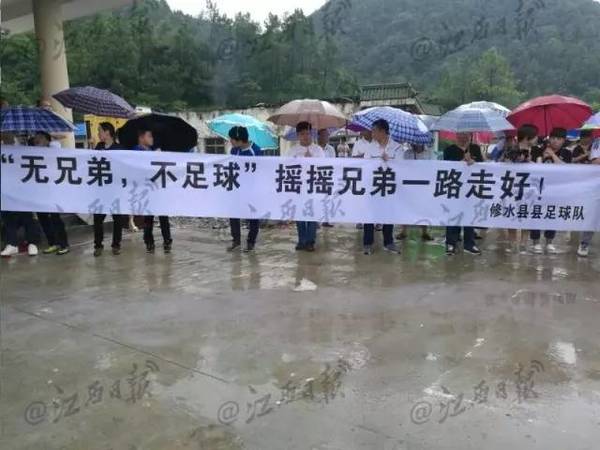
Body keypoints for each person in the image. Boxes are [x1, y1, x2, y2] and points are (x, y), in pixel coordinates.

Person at [362, 119, 402, 255]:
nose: (372, 134)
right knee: (369, 215)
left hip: (389, 187)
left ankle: (388, 242)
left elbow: (403, 167)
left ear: (383, 131)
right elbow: (365, 165)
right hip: (373, 187)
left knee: (388, 214)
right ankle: (367, 243)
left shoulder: (397, 147)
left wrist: (390, 161)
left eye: (374, 131)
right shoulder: (370, 147)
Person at [529, 127, 571, 254]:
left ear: (563, 140)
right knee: (536, 213)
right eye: (553, 138)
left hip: (556, 189)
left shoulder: (567, 153)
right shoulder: (538, 150)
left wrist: (552, 155)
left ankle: (549, 242)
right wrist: (542, 156)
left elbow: (567, 169)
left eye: (558, 139)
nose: (555, 141)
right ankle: (536, 242)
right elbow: (532, 167)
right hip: (538, 188)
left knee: (552, 214)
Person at [133, 128, 172, 253]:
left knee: (163, 217)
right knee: (148, 219)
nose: (152, 139)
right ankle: (149, 242)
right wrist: (154, 156)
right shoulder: (135, 152)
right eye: (149, 136)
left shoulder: (152, 151)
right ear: (141, 138)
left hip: (158, 190)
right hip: (146, 191)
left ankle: (167, 241)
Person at [444, 132, 483, 256]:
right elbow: (445, 167)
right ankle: (451, 243)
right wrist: (461, 162)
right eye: (461, 133)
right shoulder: (449, 150)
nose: (463, 136)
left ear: (470, 135)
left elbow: (482, 165)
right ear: (456, 135)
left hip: (471, 188)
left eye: (466, 134)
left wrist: (473, 162)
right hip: (455, 187)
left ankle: (469, 244)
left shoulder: (475, 148)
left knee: (469, 215)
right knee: (453, 215)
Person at [501, 124, 539, 252]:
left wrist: (531, 162)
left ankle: (523, 243)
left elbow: (541, 167)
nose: (537, 139)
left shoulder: (536, 150)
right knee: (511, 213)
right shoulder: (512, 149)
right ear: (527, 137)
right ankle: (512, 243)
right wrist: (518, 161)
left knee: (526, 214)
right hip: (513, 188)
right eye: (535, 136)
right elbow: (504, 166)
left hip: (530, 189)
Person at [33, 131, 70, 255]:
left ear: (47, 139)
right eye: (36, 138)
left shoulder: (53, 149)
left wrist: (53, 138)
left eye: (40, 138)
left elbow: (56, 146)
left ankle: (64, 244)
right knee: (42, 218)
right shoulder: (33, 151)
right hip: (39, 191)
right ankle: (53, 243)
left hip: (53, 191)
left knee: (55, 218)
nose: (37, 140)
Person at [93, 123, 127, 256]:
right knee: (97, 219)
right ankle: (98, 245)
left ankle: (116, 245)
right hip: (100, 190)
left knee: (117, 219)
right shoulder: (98, 147)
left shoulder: (120, 149)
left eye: (100, 131)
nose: (98, 134)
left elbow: (124, 167)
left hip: (115, 190)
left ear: (107, 132)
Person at [290, 121, 324, 251]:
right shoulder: (292, 150)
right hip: (298, 187)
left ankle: (310, 241)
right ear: (298, 135)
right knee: (299, 215)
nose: (306, 136)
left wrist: (312, 160)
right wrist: (300, 161)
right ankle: (301, 240)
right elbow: (286, 166)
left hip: (313, 187)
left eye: (308, 133)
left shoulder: (318, 150)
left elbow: (324, 167)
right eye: (302, 134)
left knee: (311, 214)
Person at [227, 126, 261, 252]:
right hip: (236, 188)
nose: (230, 141)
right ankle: (236, 240)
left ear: (239, 139)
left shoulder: (255, 151)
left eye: (232, 139)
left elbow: (260, 170)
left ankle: (251, 242)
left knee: (253, 216)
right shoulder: (234, 150)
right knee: (233, 214)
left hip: (252, 190)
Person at [396, 144, 434, 241]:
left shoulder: (429, 154)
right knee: (406, 207)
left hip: (424, 185)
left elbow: (432, 167)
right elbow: (403, 166)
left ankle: (424, 232)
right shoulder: (407, 153)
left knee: (424, 208)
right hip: (409, 184)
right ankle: (403, 231)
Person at [577, 138, 600, 257]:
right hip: (597, 184)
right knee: (594, 214)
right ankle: (584, 243)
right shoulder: (598, 142)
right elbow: (595, 162)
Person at [317, 128, 336, 227]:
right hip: (317, 178)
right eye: (324, 135)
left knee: (327, 199)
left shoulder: (331, 149)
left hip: (328, 177)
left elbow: (334, 163)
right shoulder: (315, 148)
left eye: (327, 135)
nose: (326, 137)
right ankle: (316, 221)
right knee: (317, 199)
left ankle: (326, 220)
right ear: (319, 136)